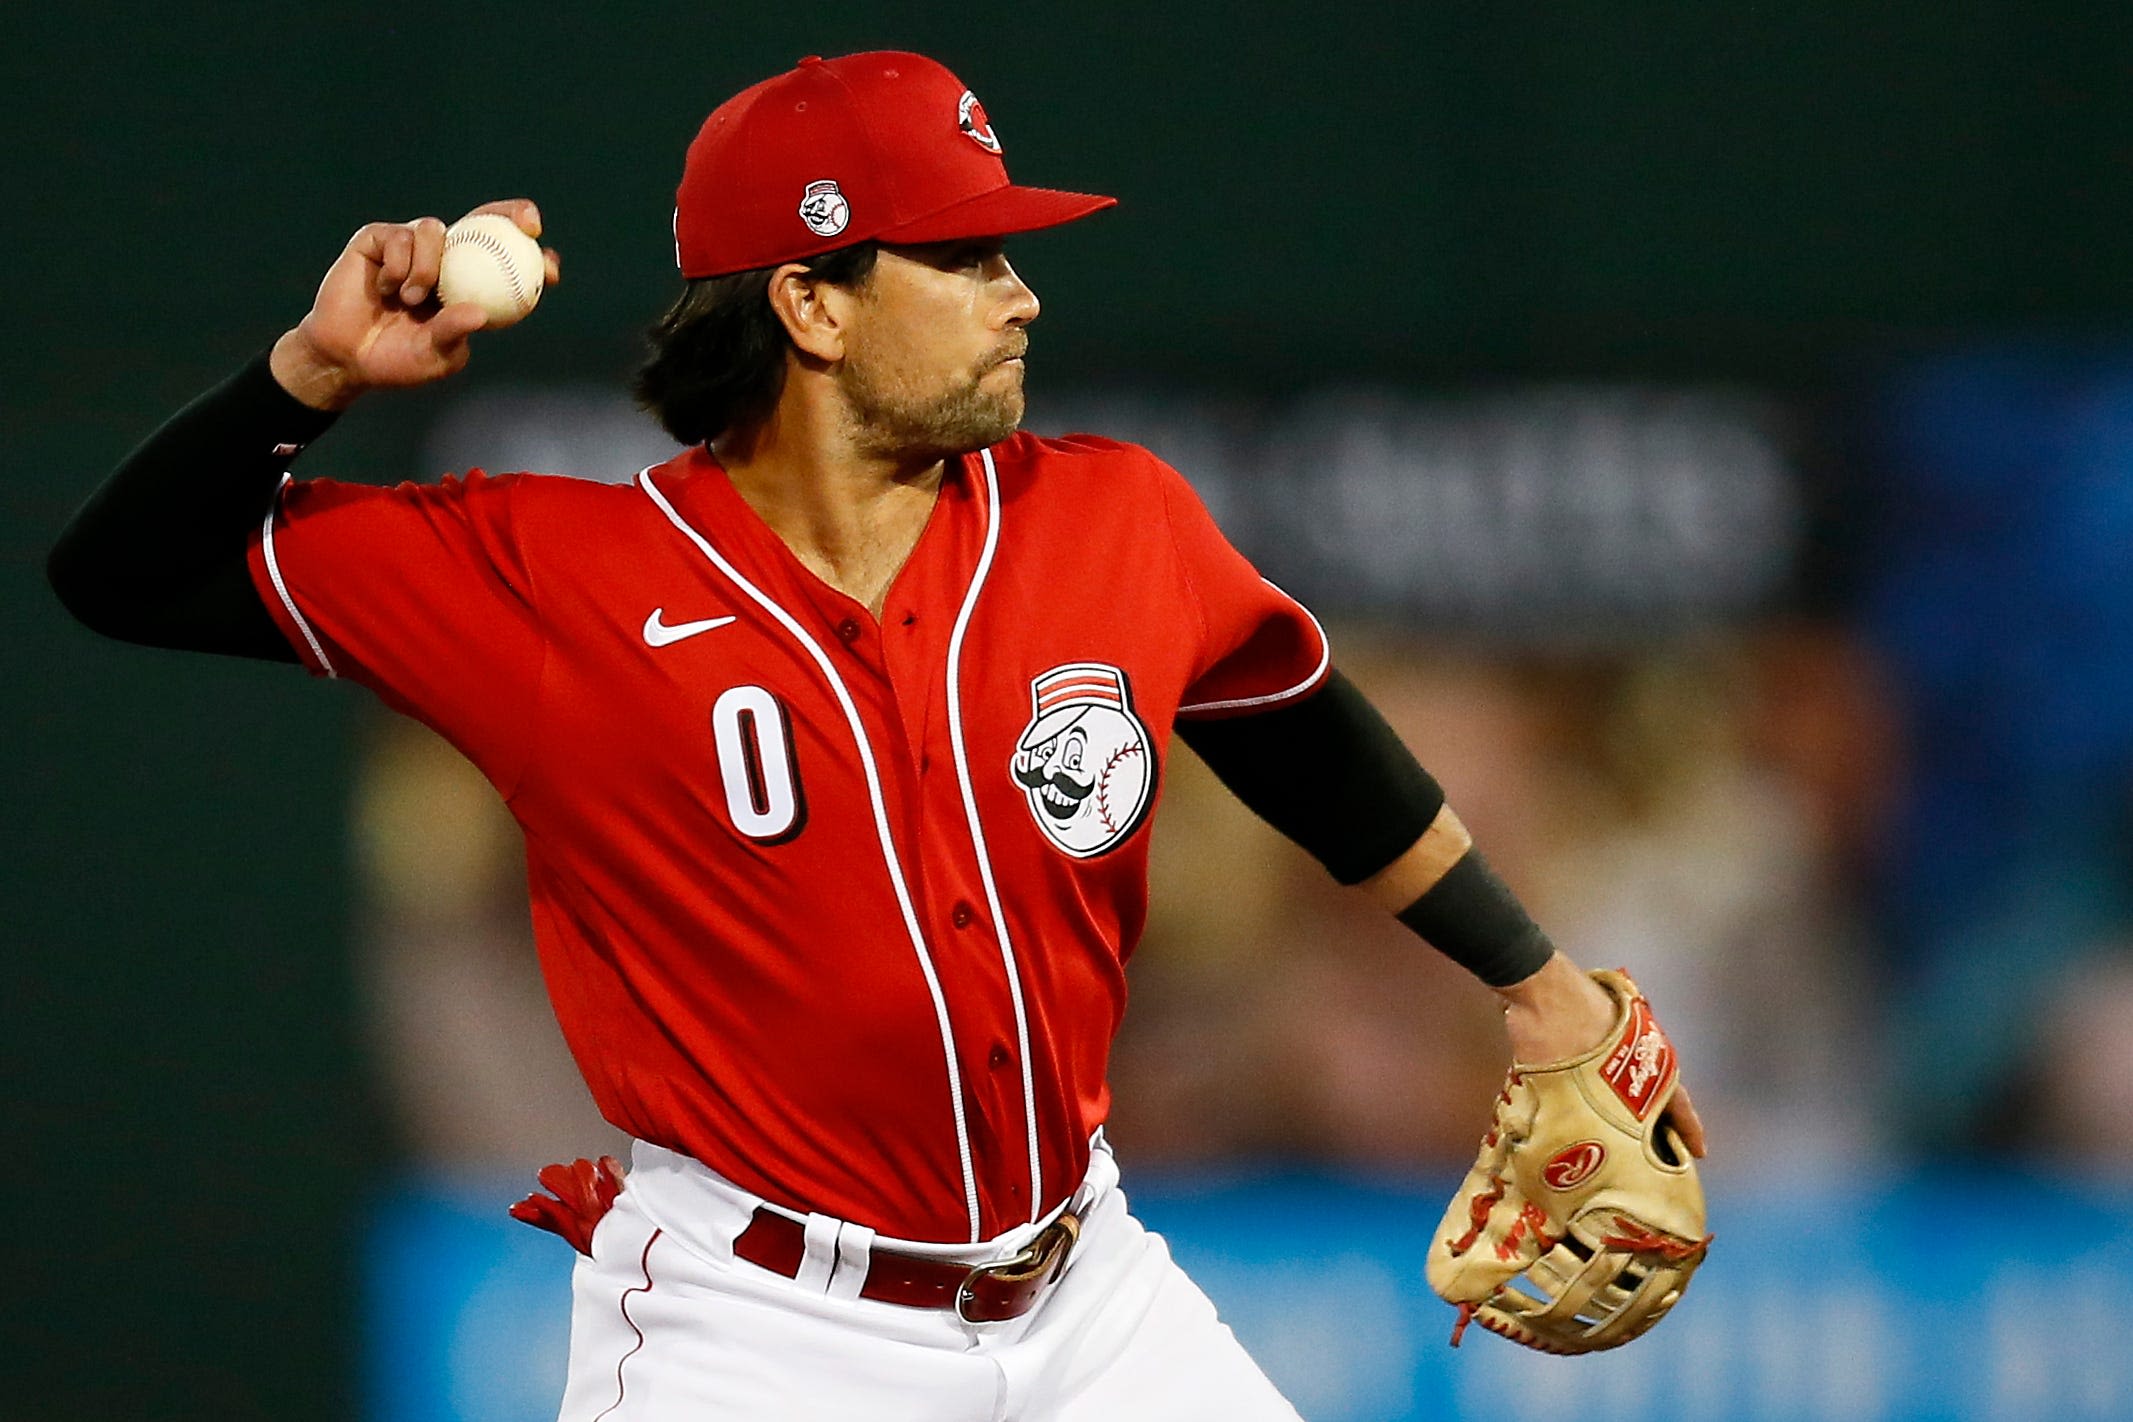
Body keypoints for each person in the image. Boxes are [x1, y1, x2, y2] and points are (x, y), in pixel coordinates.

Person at [50, 50, 1703, 1421]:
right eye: (967, 257)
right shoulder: (552, 574)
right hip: (752, 1331)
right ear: (814, 306)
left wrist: (1536, 981)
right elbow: (125, 572)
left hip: (1087, 1292)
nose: (1021, 294)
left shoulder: (1108, 519)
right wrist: (310, 372)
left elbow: (1294, 727)